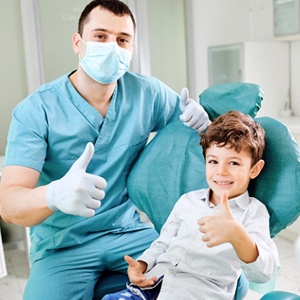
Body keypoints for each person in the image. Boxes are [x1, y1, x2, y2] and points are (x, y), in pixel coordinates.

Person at [0, 1, 210, 299]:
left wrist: (205, 122)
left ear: (132, 47)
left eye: (122, 39)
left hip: (129, 233)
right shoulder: (37, 110)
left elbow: (204, 139)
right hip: (63, 245)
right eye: (100, 36)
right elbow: (8, 204)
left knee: (208, 278)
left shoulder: (147, 93)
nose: (112, 46)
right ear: (78, 42)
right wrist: (54, 194)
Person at [103, 110, 279, 300]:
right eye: (213, 161)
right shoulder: (188, 201)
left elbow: (263, 273)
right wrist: (143, 265)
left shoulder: (253, 212)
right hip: (150, 286)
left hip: (196, 294)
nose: (221, 171)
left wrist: (238, 236)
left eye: (234, 163)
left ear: (254, 169)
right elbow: (163, 243)